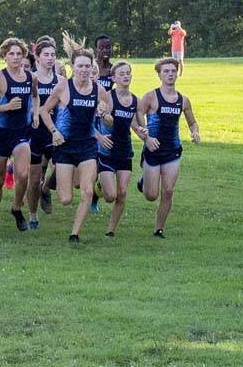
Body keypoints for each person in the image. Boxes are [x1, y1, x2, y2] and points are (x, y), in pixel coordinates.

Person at [38, 35, 112, 242]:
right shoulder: (63, 88)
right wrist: (54, 131)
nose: (84, 70)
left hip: (88, 147)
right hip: (64, 147)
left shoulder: (99, 91)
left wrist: (105, 114)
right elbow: (44, 111)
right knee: (66, 199)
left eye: (88, 66)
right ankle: (45, 186)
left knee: (87, 192)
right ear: (72, 66)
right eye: (80, 66)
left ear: (92, 67)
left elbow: (110, 123)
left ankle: (74, 233)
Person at [137, 57, 201, 237]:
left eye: (173, 71)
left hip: (172, 150)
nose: (170, 74)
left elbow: (192, 122)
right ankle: (143, 180)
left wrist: (195, 133)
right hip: (153, 150)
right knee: (151, 195)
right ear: (159, 74)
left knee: (169, 190)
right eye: (166, 71)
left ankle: (159, 228)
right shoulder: (151, 97)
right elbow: (138, 114)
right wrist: (145, 134)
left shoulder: (183, 100)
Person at [0, 38, 37, 233]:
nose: (15, 57)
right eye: (11, 54)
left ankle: (16, 207)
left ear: (23, 56)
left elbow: (35, 96)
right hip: (1, 133)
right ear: (4, 56)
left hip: (22, 132)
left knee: (23, 175)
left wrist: (36, 114)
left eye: (18, 54)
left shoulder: (31, 77)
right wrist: (6, 106)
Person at [97, 61, 142, 236]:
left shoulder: (135, 100)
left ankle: (110, 230)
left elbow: (137, 124)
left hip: (125, 149)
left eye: (128, 73)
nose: (125, 76)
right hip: (107, 149)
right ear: (114, 78)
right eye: (121, 73)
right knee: (110, 196)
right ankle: (98, 186)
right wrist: (104, 115)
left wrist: (143, 132)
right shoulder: (107, 97)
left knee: (122, 193)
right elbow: (106, 120)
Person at [26, 36, 60, 229]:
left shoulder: (61, 81)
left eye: (53, 55)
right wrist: (34, 111)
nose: (50, 58)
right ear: (37, 58)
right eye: (46, 55)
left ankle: (46, 189)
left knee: (63, 169)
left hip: (55, 132)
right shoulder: (30, 79)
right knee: (33, 180)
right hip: (35, 133)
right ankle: (32, 215)